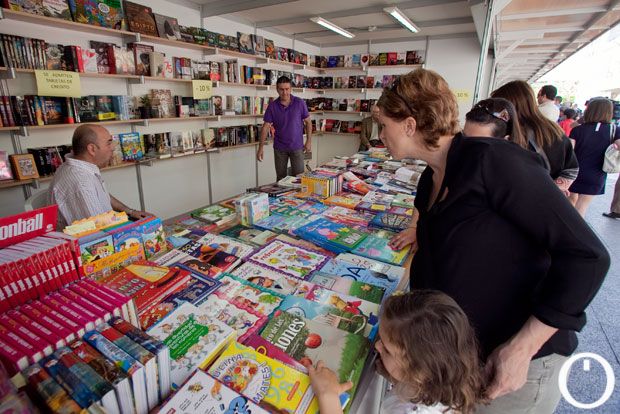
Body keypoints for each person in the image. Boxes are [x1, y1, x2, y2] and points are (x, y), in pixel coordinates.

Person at [376, 69, 609, 413]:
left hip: (519, 365)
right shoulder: (431, 179)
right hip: (470, 360)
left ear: (409, 125)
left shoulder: (493, 161)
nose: (380, 135)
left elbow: (587, 256)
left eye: (383, 125)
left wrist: (523, 347)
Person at [309, 290, 486, 414]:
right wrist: (395, 375)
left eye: (386, 350)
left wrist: (328, 395)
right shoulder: (441, 378)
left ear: (418, 371)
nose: (377, 346)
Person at [389, 97, 523, 251]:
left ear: (505, 141)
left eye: (478, 144)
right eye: (464, 138)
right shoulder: (447, 163)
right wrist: (415, 228)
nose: (465, 148)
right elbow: (424, 197)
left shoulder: (510, 180)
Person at [48, 124, 150, 228]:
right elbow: (99, 229)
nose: (113, 148)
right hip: (94, 237)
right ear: (92, 149)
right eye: (109, 143)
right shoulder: (81, 182)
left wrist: (130, 212)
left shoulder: (80, 167)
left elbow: (102, 195)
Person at [492, 80, 578, 196]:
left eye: (498, 106)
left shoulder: (519, 132)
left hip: (526, 198)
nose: (496, 111)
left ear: (512, 105)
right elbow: (571, 169)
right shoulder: (553, 129)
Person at [568, 98, 620, 216]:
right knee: (582, 205)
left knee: (570, 201)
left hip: (575, 172)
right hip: (596, 174)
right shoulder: (614, 130)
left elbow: (569, 152)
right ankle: (576, 230)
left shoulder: (577, 130)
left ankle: (566, 225)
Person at [257, 76, 312, 181]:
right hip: (280, 148)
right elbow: (265, 127)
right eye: (281, 89)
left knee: (300, 178)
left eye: (287, 89)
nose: (285, 92)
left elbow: (308, 122)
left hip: (297, 147)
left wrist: (309, 141)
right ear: (277, 89)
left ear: (291, 89)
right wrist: (260, 148)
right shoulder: (272, 106)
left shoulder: (299, 103)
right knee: (281, 178)